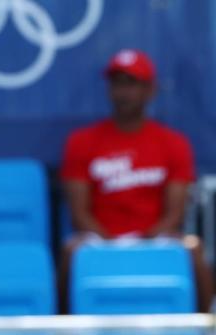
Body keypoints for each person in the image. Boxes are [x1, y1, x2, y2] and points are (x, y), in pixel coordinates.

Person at [61, 49, 212, 312]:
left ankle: (207, 334)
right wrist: (109, 242)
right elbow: (78, 213)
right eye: (118, 83)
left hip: (156, 237)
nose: (124, 93)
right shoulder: (81, 141)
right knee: (71, 250)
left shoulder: (173, 143)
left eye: (132, 84)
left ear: (150, 90)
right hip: (100, 238)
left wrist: (146, 242)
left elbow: (175, 214)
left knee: (194, 249)